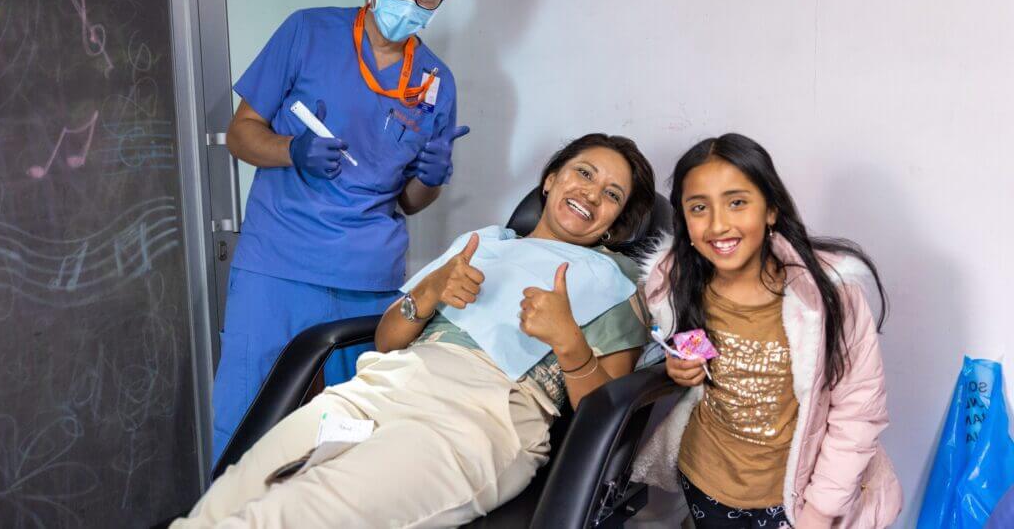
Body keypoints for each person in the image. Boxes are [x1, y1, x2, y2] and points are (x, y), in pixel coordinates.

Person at [174, 133, 655, 528]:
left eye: (612, 194)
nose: (592, 193)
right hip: (380, 389)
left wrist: (569, 341)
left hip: (475, 422)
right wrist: (427, 293)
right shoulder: (483, 242)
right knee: (231, 495)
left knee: (285, 515)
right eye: (583, 173)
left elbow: (605, 412)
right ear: (551, 181)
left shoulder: (615, 281)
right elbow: (387, 340)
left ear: (618, 221)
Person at [213, 0, 468, 465]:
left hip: (369, 283)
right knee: (248, 424)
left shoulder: (436, 81)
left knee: (347, 437)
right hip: (279, 269)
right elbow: (240, 134)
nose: (409, 2)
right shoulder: (306, 32)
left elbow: (408, 202)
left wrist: (432, 174)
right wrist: (291, 150)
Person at [632, 134, 903, 528]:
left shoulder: (829, 296)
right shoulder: (676, 283)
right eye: (699, 207)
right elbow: (681, 348)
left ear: (771, 209)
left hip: (795, 497)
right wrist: (677, 368)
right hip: (705, 480)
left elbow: (858, 411)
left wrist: (821, 512)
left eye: (737, 202)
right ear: (684, 220)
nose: (718, 224)